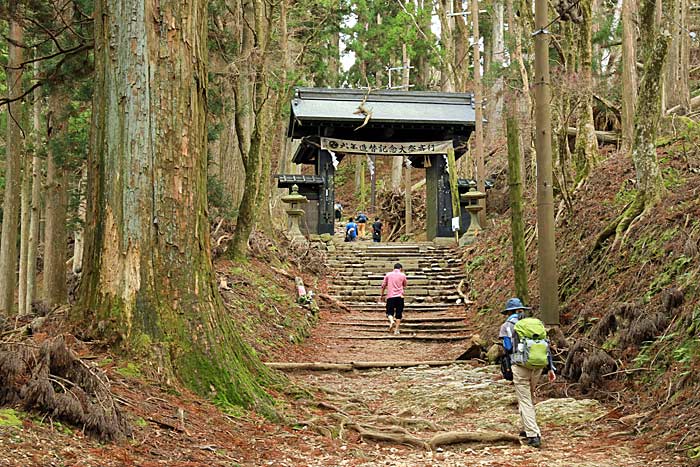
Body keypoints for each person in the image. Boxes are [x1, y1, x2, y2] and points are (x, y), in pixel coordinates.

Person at [498, 298, 556, 449]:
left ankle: (533, 435)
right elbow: (546, 345)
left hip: (520, 365)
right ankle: (527, 427)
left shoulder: (506, 326)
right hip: (537, 365)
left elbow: (508, 347)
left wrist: (508, 366)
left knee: (524, 400)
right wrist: (550, 368)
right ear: (522, 310)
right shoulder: (535, 324)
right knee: (529, 397)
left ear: (508, 312)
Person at [379, 263, 407, 335]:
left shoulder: (388, 275)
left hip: (390, 296)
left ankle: (391, 321)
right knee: (399, 313)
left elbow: (383, 286)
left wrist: (381, 295)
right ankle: (396, 330)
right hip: (400, 297)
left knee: (389, 312)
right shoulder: (403, 275)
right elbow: (404, 285)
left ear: (394, 268)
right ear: (400, 268)